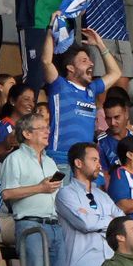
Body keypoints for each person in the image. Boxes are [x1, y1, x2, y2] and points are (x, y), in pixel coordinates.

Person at [0, 112, 65, 266]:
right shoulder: (15, 159)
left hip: (54, 225)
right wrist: (39, 188)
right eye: (42, 128)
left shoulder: (50, 162)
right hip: (30, 225)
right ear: (27, 133)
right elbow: (7, 193)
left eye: (47, 127)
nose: (48, 131)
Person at [44, 29, 121, 166]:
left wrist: (100, 45)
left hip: (86, 162)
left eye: (90, 61)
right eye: (84, 60)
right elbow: (46, 62)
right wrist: (51, 32)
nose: (91, 64)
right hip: (60, 159)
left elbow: (115, 73)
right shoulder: (60, 85)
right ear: (71, 68)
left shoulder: (91, 89)